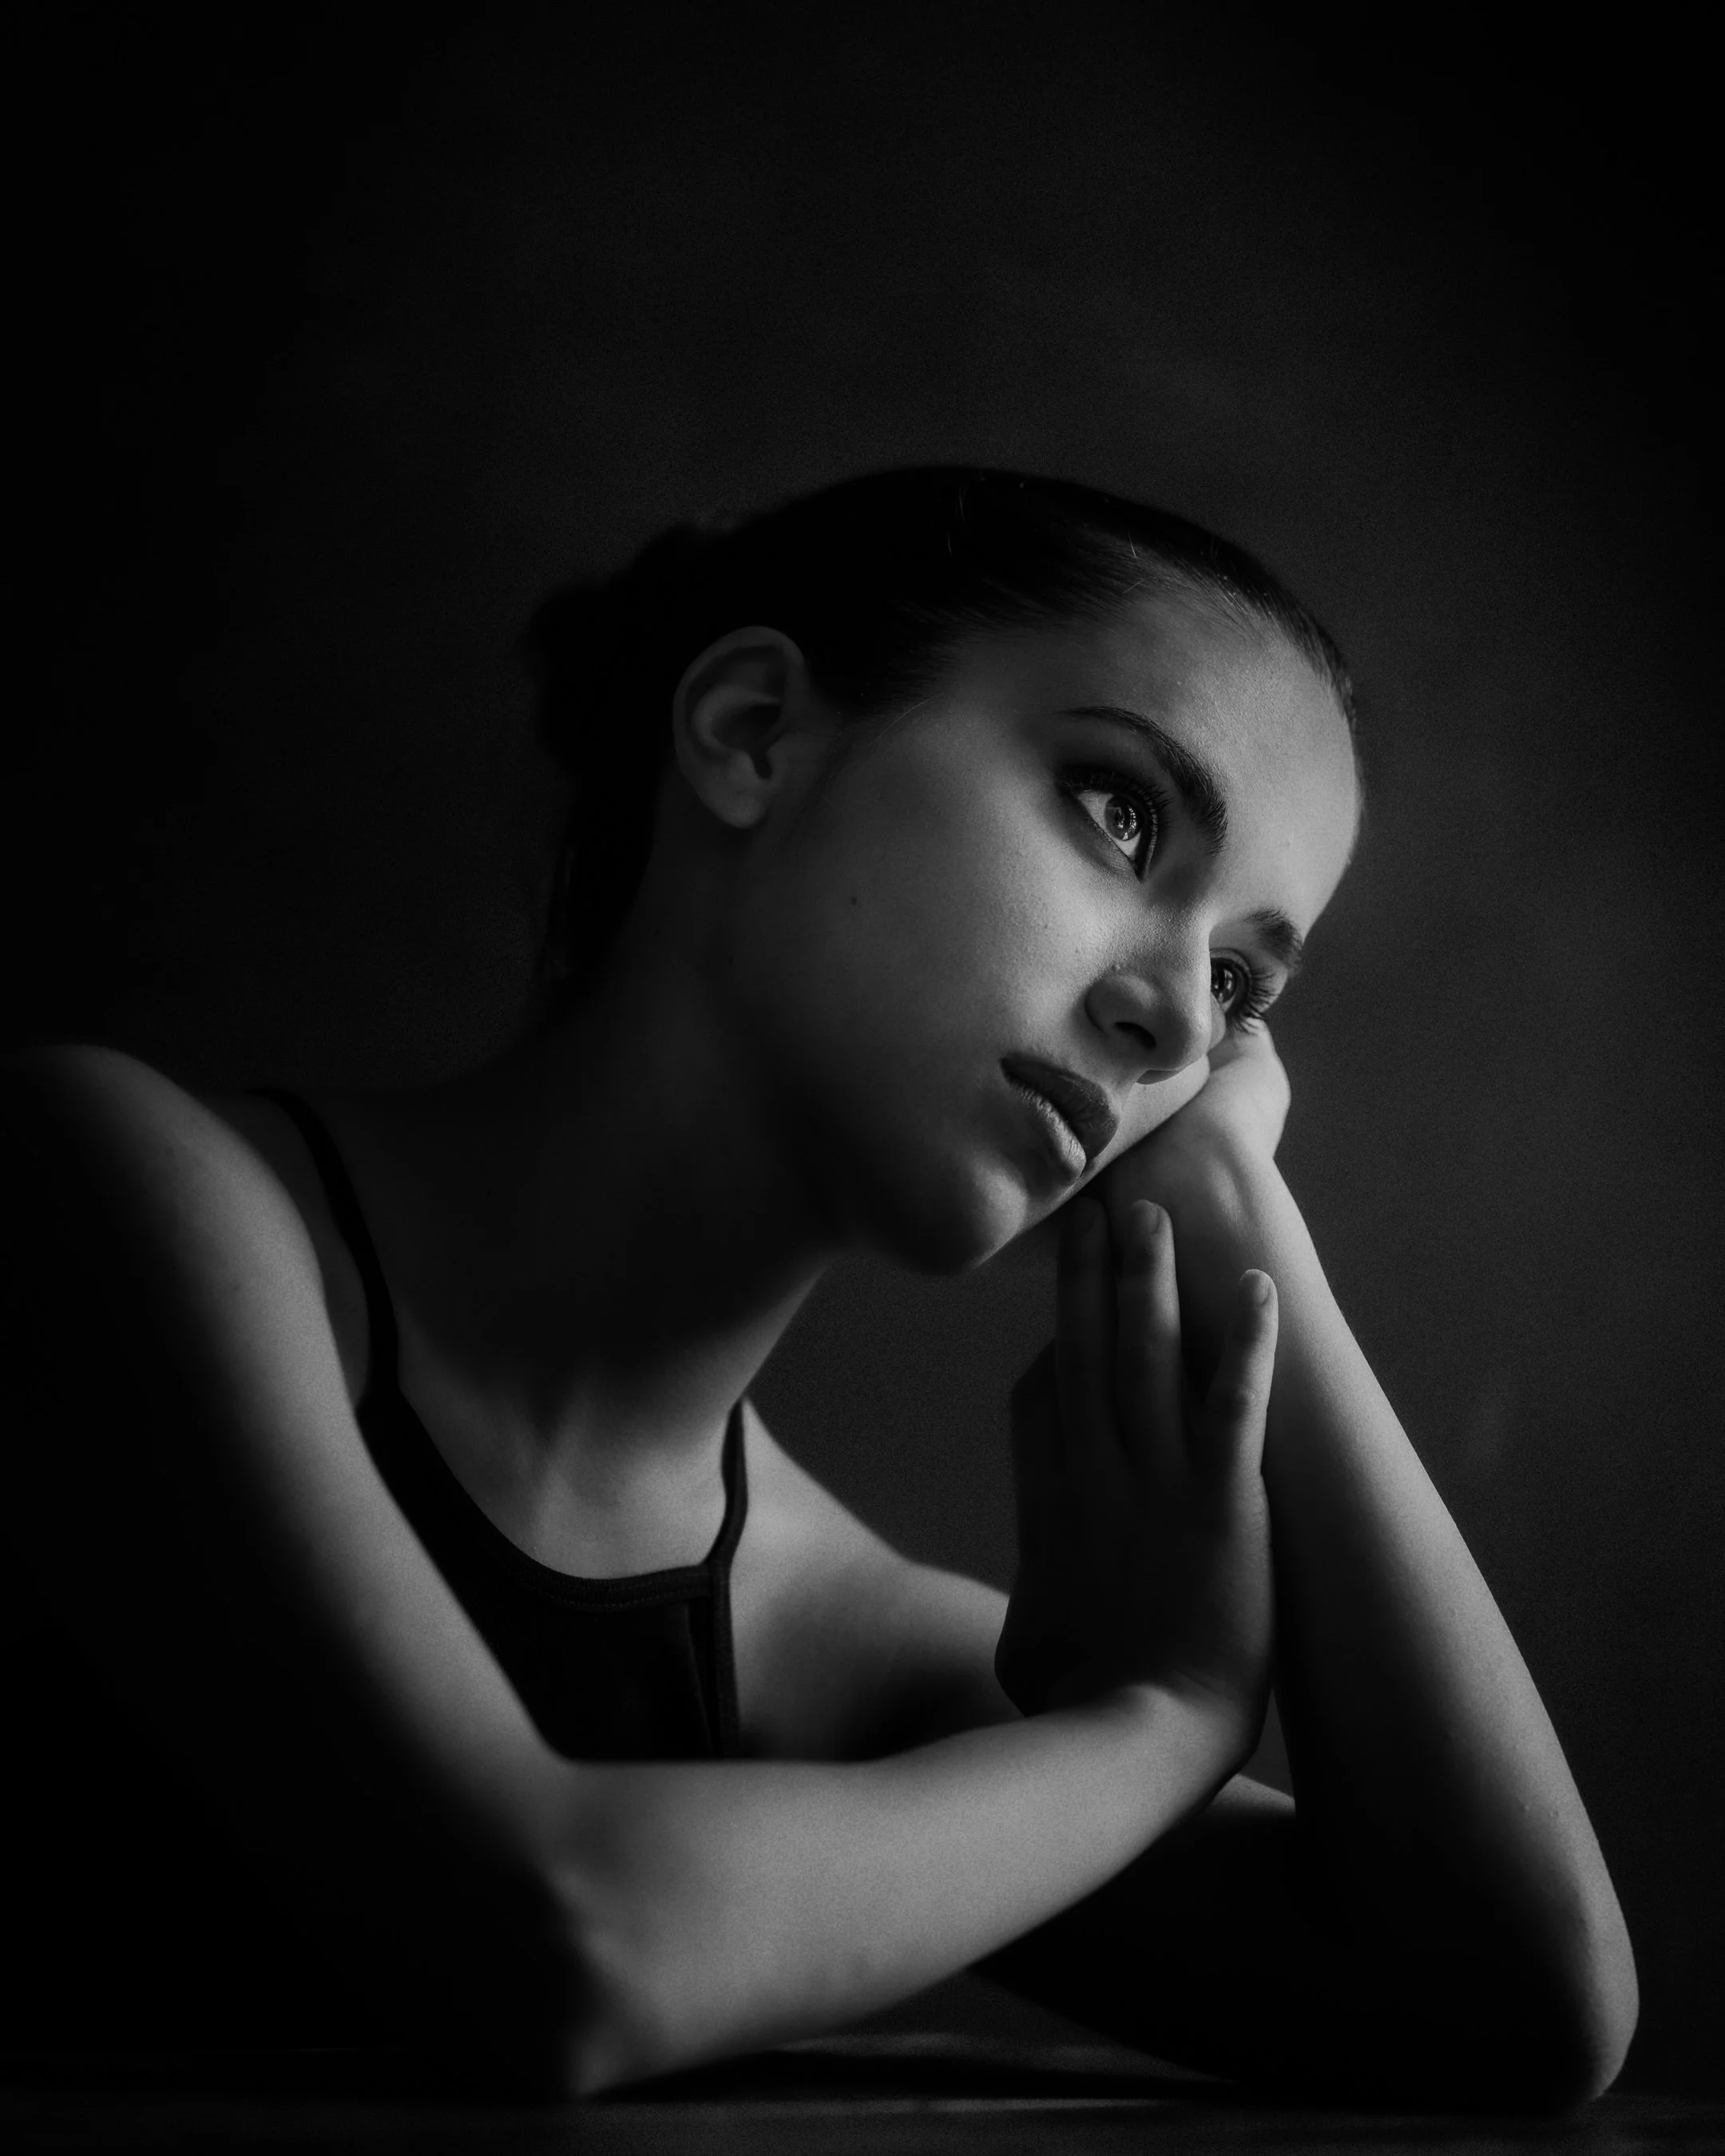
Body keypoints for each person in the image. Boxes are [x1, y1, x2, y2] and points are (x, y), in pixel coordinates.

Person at [1, 468, 1636, 2105]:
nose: (1176, 1028)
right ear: (755, 729)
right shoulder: (112, 1191)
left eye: (1239, 984)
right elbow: (556, 1944)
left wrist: (1237, 1205)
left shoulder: (811, 1636)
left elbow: (1519, 2005)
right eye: (1122, 812)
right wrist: (1154, 1718)